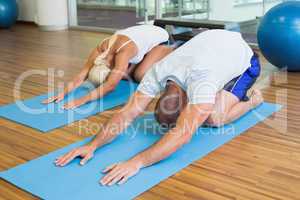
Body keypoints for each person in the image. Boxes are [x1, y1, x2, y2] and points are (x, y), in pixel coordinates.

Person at [55, 30, 264, 186]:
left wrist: (136, 162)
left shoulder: (203, 84)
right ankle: (223, 94)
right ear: (162, 93)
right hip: (211, 45)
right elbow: (126, 113)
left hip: (243, 59)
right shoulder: (158, 72)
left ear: (186, 104)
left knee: (214, 119)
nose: (169, 126)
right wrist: (92, 146)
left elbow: (183, 133)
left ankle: (252, 102)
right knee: (205, 108)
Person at [43, 25, 171, 109]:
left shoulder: (123, 52)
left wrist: (81, 100)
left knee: (139, 75)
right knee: (124, 75)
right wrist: (63, 93)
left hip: (160, 38)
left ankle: (173, 49)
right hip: (138, 36)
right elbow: (82, 74)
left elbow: (110, 86)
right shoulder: (101, 48)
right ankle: (142, 57)